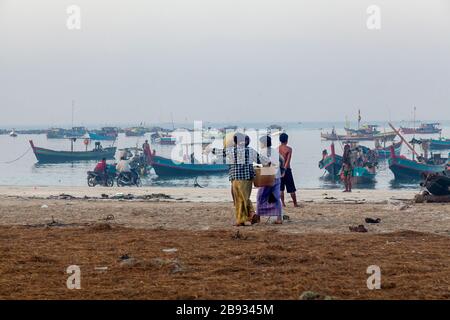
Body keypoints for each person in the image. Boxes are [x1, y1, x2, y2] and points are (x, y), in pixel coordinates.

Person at [213, 133, 267, 226]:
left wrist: (211, 149)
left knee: (239, 199)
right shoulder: (250, 151)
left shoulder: (231, 151)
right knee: (245, 198)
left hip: (235, 178)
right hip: (247, 179)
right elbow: (261, 160)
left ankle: (243, 219)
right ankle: (248, 216)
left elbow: (219, 153)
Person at [256, 135, 285, 224]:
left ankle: (258, 216)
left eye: (260, 142)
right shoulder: (274, 150)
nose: (260, 144)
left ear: (263, 143)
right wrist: (282, 169)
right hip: (277, 175)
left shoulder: (263, 151)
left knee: (260, 197)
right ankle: (279, 218)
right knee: (276, 197)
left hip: (268, 175)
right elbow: (282, 160)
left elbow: (262, 162)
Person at [278, 133, 299, 207]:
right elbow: (287, 161)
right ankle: (295, 203)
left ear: (280, 140)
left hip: (279, 170)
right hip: (286, 170)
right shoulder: (289, 149)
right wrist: (284, 170)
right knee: (291, 188)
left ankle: (283, 203)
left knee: (281, 188)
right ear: (287, 140)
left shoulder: (277, 149)